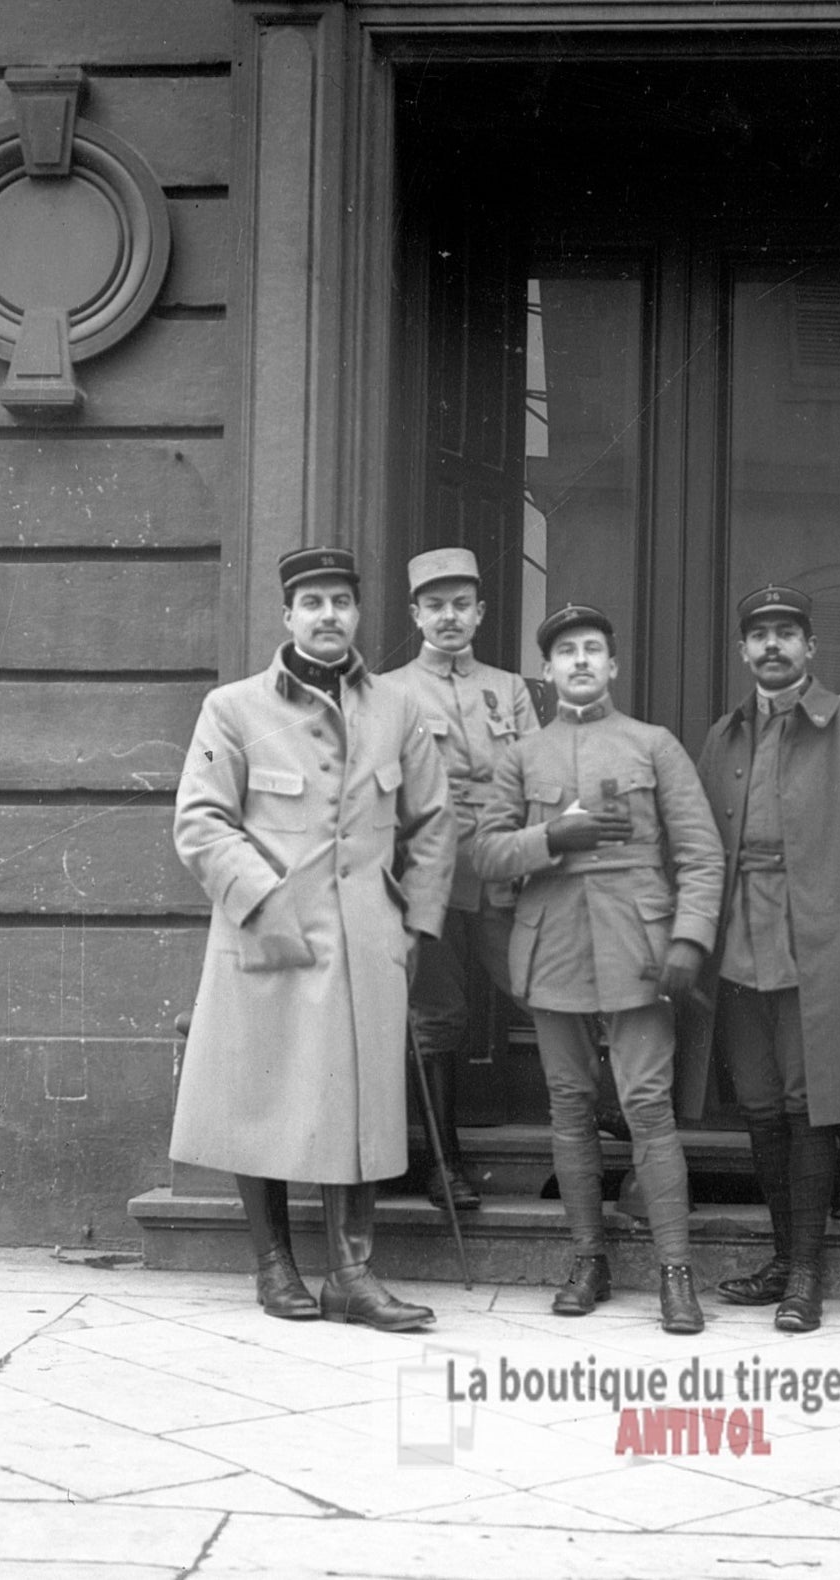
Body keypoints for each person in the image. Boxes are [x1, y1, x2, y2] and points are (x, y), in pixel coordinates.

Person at [170, 546, 456, 1332]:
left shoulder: (396, 710)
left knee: (356, 1105)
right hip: (265, 934)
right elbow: (200, 822)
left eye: (341, 601)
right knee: (255, 1096)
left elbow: (432, 823)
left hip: (365, 942)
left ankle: (351, 1277)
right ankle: (273, 1265)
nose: (329, 615)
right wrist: (261, 899)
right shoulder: (233, 710)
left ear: (359, 615)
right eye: (313, 602)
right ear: (288, 616)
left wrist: (414, 923)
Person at [473, 604, 724, 1334]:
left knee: (647, 1106)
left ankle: (677, 1272)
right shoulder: (521, 756)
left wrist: (689, 941)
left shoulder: (653, 745)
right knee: (569, 1105)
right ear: (546, 671)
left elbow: (702, 855)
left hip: (640, 951)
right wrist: (553, 834)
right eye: (565, 653)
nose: (580, 662)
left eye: (593, 650)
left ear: (613, 667)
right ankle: (588, 1258)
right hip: (552, 947)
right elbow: (484, 855)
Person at [687, 584, 840, 1332]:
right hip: (737, 943)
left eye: (786, 633)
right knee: (759, 1105)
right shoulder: (721, 736)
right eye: (758, 634)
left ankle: (806, 1277)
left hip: (813, 945)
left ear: (810, 647)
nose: (771, 646)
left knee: (810, 1105)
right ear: (742, 650)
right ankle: (780, 1258)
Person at [387, 547, 540, 1210]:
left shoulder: (510, 689)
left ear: (479, 613)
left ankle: (600, 1126)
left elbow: (533, 774)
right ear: (415, 613)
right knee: (436, 1017)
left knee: (544, 986)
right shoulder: (389, 692)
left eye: (460, 605)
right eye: (434, 605)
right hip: (432, 877)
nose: (448, 618)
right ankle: (443, 1162)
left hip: (505, 871)